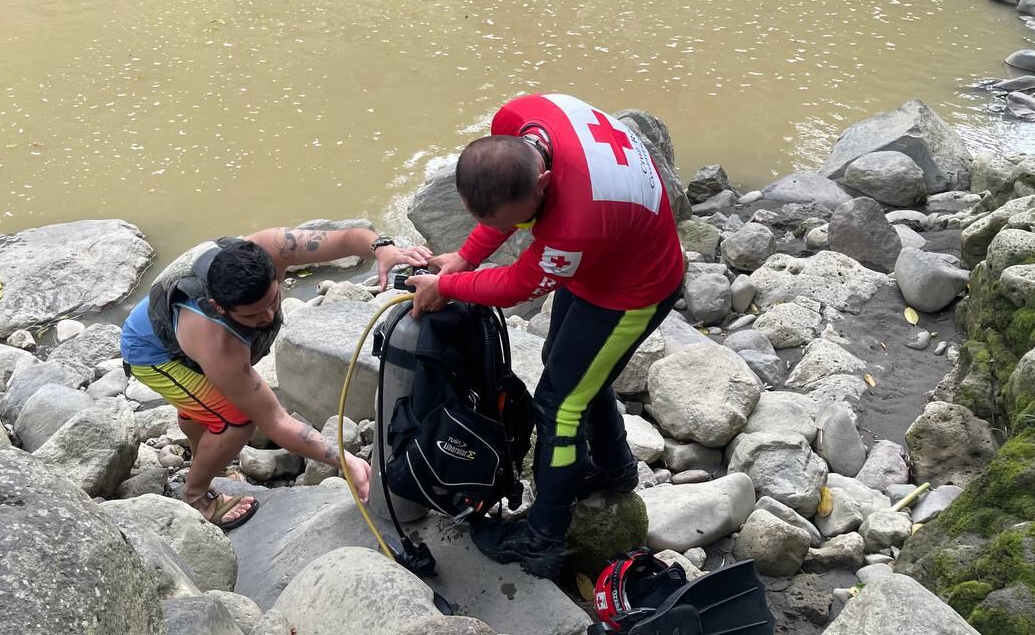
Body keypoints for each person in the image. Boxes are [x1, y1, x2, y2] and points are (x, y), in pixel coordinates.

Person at [406, 93, 685, 579]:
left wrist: (447, 286)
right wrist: (466, 256)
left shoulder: (575, 223)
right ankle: (615, 470)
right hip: (603, 261)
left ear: (544, 182)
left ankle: (543, 537)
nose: (506, 229)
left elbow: (517, 285)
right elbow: (499, 207)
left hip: (636, 287)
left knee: (560, 404)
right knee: (569, 370)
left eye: (516, 221)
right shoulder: (520, 119)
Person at [120, 226, 431, 528]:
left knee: (207, 407)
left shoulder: (272, 247)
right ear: (219, 307)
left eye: (272, 301)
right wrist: (346, 461)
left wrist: (382, 247)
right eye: (252, 316)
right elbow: (274, 421)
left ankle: (206, 458)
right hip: (153, 354)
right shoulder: (218, 344)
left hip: (176, 333)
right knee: (237, 419)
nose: (268, 317)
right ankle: (195, 495)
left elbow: (347, 238)